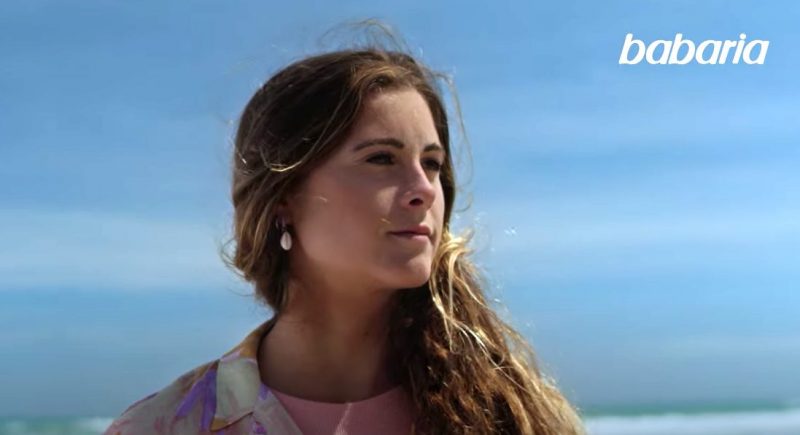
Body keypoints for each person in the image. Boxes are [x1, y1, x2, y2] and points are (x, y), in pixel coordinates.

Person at [105, 37, 586, 435]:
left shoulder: (516, 416)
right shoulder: (166, 426)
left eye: (432, 163)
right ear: (283, 196)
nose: (424, 189)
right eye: (381, 159)